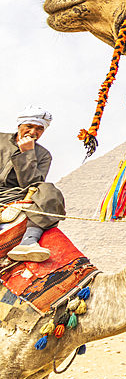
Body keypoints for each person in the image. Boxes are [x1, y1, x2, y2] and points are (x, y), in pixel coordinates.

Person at [1, 106, 65, 263]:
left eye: (39, 129)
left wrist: (27, 153)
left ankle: (29, 241)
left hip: (16, 195)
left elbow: (32, 184)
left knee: (49, 190)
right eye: (29, 126)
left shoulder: (43, 155)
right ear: (19, 126)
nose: (33, 132)